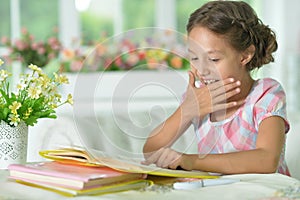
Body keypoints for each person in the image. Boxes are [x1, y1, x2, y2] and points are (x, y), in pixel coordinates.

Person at [142, 0, 290, 176]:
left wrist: (191, 161)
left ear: (245, 55)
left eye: (213, 60)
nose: (202, 70)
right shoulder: (198, 98)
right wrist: (187, 110)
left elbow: (266, 160)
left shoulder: (265, 94)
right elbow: (151, 151)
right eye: (195, 58)